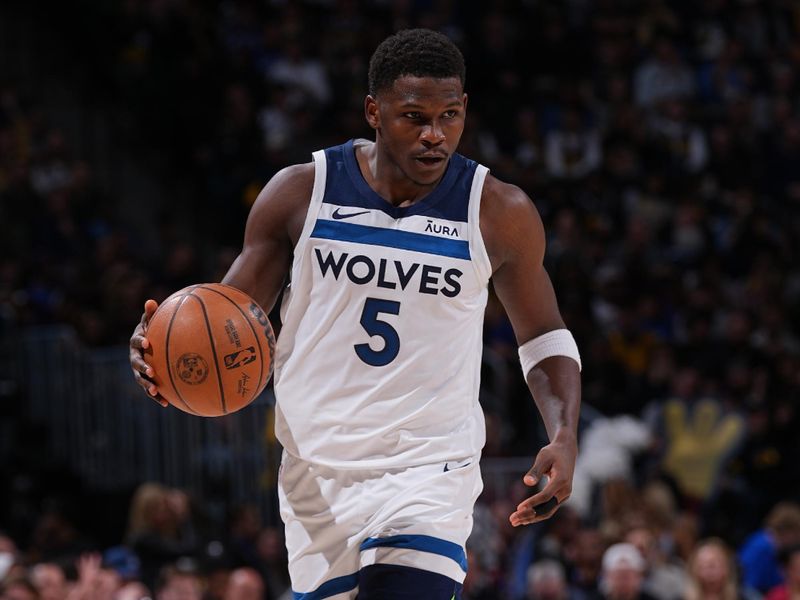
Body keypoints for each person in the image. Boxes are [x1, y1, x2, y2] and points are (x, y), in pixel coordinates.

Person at [130, 28, 581, 598]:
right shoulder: (301, 193)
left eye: (449, 116)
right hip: (315, 474)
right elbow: (225, 322)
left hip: (427, 469)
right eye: (413, 117)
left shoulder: (498, 212)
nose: (434, 136)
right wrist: (161, 352)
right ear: (374, 110)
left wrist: (564, 434)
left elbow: (543, 335)